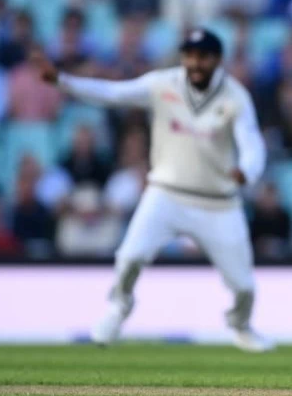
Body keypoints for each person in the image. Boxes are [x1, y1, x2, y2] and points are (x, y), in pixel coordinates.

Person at [30, 29, 273, 353]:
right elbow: (113, 93)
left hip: (218, 203)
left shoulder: (234, 95)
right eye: (189, 55)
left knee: (243, 285)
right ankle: (118, 306)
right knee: (130, 257)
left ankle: (240, 326)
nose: (195, 63)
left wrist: (248, 171)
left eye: (202, 56)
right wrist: (62, 81)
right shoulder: (163, 83)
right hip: (166, 194)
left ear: (217, 59)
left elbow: (252, 143)